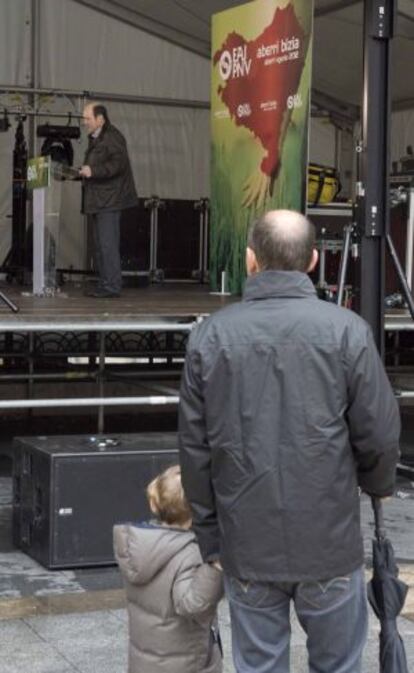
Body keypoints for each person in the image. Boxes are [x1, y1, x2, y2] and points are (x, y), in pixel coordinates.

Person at [178, 210, 400, 673]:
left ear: (249, 260)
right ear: (315, 261)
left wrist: (208, 534)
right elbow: (377, 432)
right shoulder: (347, 331)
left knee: (259, 665)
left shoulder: (209, 337)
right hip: (329, 539)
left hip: (246, 539)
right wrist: (376, 484)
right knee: (338, 665)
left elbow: (195, 450)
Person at [113, 464, 224, 673]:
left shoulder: (142, 547)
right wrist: (216, 567)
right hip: (185, 663)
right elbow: (193, 605)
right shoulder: (189, 554)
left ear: (155, 504)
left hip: (144, 661)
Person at [80, 103, 138, 298]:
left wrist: (92, 171)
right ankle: (105, 284)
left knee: (107, 244)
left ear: (100, 119)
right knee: (100, 245)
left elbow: (117, 165)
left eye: (88, 118)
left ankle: (112, 286)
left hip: (109, 200)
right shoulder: (97, 138)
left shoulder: (112, 137)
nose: (84, 122)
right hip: (99, 199)